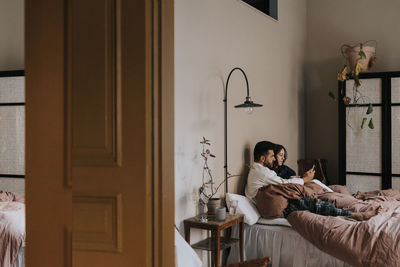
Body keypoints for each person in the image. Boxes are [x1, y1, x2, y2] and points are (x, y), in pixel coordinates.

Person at [246, 141, 381, 221]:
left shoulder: (263, 171)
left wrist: (301, 180)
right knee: (314, 204)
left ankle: (353, 212)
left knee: (315, 203)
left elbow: (282, 182)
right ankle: (354, 214)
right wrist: (304, 179)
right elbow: (282, 183)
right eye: (272, 156)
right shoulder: (261, 172)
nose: (275, 159)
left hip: (278, 201)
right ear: (262, 159)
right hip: (273, 205)